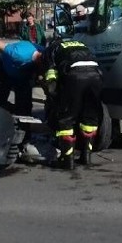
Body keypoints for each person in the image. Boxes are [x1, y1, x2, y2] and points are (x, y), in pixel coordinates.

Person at [40, 37, 102, 170]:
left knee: (66, 118)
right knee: (90, 117)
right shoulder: (81, 44)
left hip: (75, 76)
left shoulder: (51, 49)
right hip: (96, 75)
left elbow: (51, 76)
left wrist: (55, 96)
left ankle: (67, 160)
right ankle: (86, 156)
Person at [0, 39, 43, 116]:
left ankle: (23, 120)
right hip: (4, 69)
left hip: (21, 75)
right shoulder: (19, 54)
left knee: (24, 104)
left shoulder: (43, 51)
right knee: (0, 98)